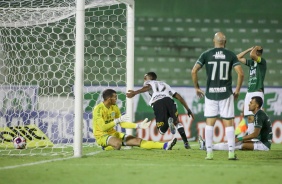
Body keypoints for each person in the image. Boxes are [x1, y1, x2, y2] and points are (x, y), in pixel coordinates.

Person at [191, 32, 244, 160]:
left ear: (213, 41)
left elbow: (193, 71)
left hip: (211, 94)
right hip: (226, 93)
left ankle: (209, 153)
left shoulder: (206, 54)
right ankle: (231, 153)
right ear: (225, 42)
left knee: (209, 124)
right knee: (229, 124)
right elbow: (241, 74)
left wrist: (197, 87)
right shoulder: (230, 55)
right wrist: (237, 90)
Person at [126, 72, 194, 149]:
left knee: (161, 130)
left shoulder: (149, 82)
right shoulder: (165, 84)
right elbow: (179, 97)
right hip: (169, 100)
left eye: (145, 78)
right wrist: (188, 109)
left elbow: (147, 87)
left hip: (158, 102)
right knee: (177, 122)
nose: (144, 80)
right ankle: (186, 143)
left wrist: (135, 92)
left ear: (150, 78)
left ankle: (168, 122)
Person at [93, 89, 177, 151]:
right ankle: (106, 147)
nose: (116, 99)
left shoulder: (114, 107)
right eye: (115, 97)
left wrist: (138, 125)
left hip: (113, 134)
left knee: (138, 141)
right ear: (109, 99)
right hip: (101, 136)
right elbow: (103, 127)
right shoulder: (98, 109)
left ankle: (165, 145)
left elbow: (122, 124)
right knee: (117, 144)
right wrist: (116, 121)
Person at [199, 96, 272, 151]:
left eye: (251, 103)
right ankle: (208, 146)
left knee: (239, 145)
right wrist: (240, 139)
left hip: (264, 145)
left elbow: (255, 134)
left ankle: (208, 146)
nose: (249, 104)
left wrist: (240, 138)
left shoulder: (259, 115)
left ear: (257, 105)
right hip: (260, 141)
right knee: (236, 142)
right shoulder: (259, 114)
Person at [237, 46, 266, 135]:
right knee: (249, 117)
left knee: (256, 116)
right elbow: (238, 57)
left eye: (254, 51)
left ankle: (259, 136)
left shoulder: (262, 61)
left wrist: (254, 49)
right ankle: (250, 137)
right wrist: (249, 49)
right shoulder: (251, 63)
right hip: (249, 91)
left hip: (257, 91)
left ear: (258, 53)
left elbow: (252, 55)